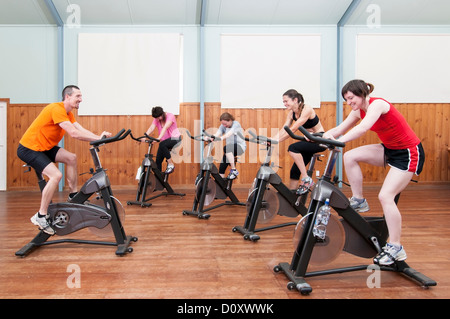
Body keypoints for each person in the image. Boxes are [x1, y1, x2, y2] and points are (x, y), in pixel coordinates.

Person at [323, 79, 425, 266]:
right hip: (389, 149)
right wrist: (323, 137)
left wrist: (339, 142)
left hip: (408, 153)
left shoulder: (377, 104)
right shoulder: (357, 110)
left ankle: (395, 247)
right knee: (350, 157)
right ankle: (359, 200)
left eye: (351, 98)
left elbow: (363, 128)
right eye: (346, 99)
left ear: (362, 93)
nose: (349, 102)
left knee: (386, 196)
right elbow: (339, 129)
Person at [17, 85, 112, 235]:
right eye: (78, 96)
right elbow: (74, 133)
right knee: (56, 175)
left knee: (71, 158)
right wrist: (98, 138)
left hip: (45, 148)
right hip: (29, 148)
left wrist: (98, 137)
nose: (81, 99)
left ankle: (73, 195)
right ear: (67, 97)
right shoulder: (57, 109)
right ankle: (41, 215)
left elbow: (79, 128)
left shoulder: (68, 113)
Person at [273, 89, 326, 193]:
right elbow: (285, 128)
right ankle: (292, 198)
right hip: (309, 141)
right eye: (283, 102)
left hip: (319, 140)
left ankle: (306, 178)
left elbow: (293, 129)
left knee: (293, 148)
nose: (284, 104)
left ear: (295, 100)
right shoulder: (291, 113)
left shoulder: (307, 109)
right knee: (294, 171)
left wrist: (277, 141)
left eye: (286, 101)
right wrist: (272, 139)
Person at [208, 112, 246, 180]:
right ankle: (221, 188)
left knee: (226, 148)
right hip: (229, 150)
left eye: (225, 124)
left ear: (230, 120)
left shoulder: (236, 124)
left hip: (240, 147)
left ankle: (234, 170)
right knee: (221, 169)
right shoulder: (223, 125)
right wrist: (212, 137)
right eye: (223, 124)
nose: (224, 126)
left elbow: (229, 133)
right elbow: (218, 133)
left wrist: (220, 138)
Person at [143, 106, 181, 174]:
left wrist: (158, 138)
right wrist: (145, 135)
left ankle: (170, 164)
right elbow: (152, 127)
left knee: (162, 144)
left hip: (175, 139)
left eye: (159, 117)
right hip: (164, 142)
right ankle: (159, 180)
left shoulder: (170, 116)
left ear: (163, 113)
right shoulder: (157, 119)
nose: (158, 119)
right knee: (158, 161)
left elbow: (165, 127)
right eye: (156, 118)